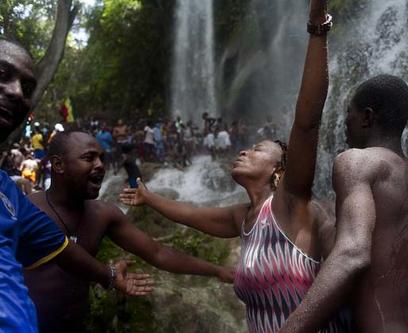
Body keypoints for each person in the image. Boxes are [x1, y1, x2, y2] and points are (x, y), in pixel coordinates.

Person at [121, 1, 350, 332]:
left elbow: (306, 122)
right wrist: (148, 197)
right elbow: (188, 214)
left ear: (279, 171)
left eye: (258, 150)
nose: (244, 151)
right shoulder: (243, 218)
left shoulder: (290, 204)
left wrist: (318, 29)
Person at [278, 74, 408, 333]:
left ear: (366, 117)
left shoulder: (358, 162)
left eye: (348, 113)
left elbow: (353, 254)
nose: (344, 122)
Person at [0, 36, 152, 333]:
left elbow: (61, 247)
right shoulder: (28, 198)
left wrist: (109, 275)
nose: (18, 93)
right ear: (57, 166)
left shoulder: (9, 195)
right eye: (2, 75)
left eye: (28, 88)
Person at [24, 130, 234, 333]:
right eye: (89, 158)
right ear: (59, 165)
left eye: (101, 158)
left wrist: (217, 271)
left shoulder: (103, 214)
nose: (100, 165)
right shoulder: (26, 209)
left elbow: (158, 253)